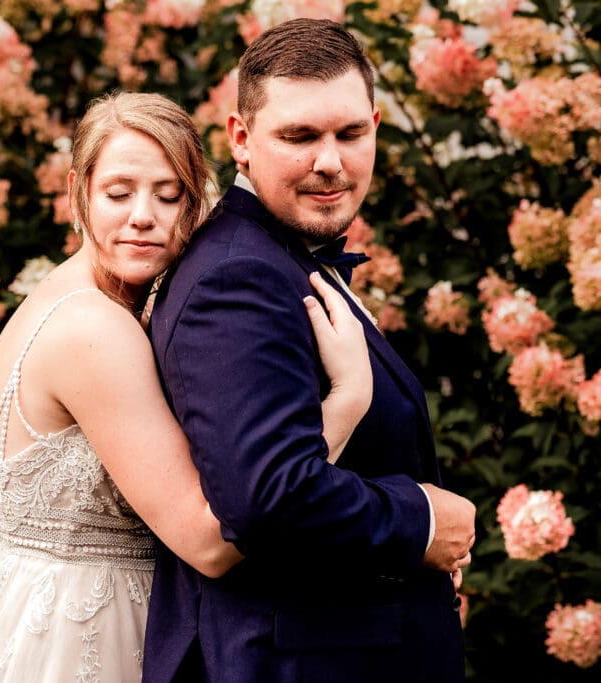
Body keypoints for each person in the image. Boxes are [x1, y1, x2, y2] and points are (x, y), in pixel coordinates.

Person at [0, 91, 374, 681]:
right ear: (78, 193)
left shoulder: (91, 303)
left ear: (196, 205)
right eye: (118, 194)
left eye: (169, 196)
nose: (143, 215)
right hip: (85, 637)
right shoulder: (93, 328)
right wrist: (347, 400)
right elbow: (210, 541)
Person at [143, 18, 477, 683]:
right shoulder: (238, 277)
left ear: (375, 126)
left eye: (350, 134)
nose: (330, 161)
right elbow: (265, 497)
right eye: (299, 136)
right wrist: (420, 521)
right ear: (241, 139)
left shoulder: (284, 256)